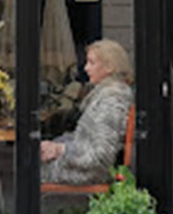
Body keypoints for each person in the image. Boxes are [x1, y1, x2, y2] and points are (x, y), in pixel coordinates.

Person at [40, 39, 133, 185]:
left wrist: (61, 149)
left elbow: (101, 155)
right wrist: (54, 146)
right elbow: (84, 140)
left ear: (109, 67)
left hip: (90, 173)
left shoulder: (112, 100)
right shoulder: (104, 95)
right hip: (84, 167)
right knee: (31, 156)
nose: (86, 68)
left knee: (27, 165)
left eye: (91, 63)